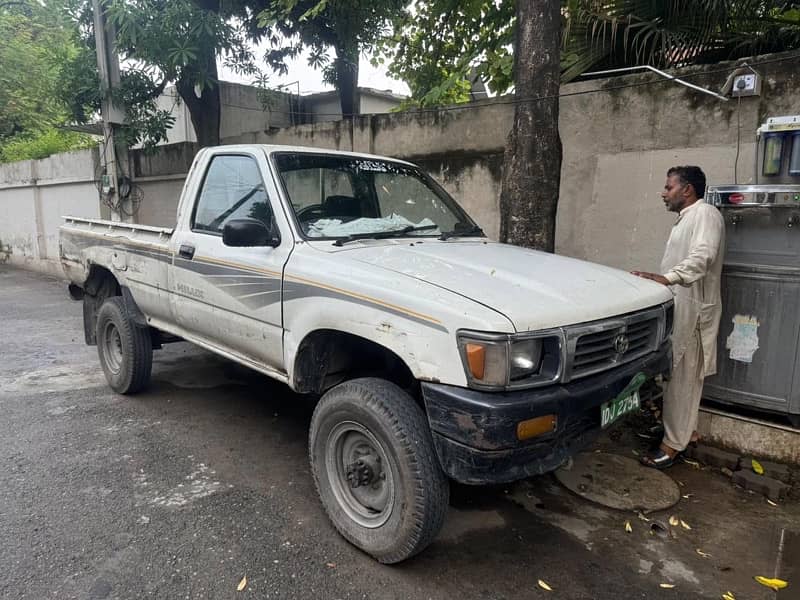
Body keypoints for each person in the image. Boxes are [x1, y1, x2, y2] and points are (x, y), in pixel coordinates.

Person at [632, 166, 725, 469]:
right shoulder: (688, 218)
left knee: (684, 380)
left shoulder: (706, 214)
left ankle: (672, 446)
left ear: (687, 190)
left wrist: (667, 278)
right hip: (682, 309)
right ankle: (684, 433)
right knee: (678, 379)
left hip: (694, 313)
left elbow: (703, 256)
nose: (663, 193)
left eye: (668, 187)